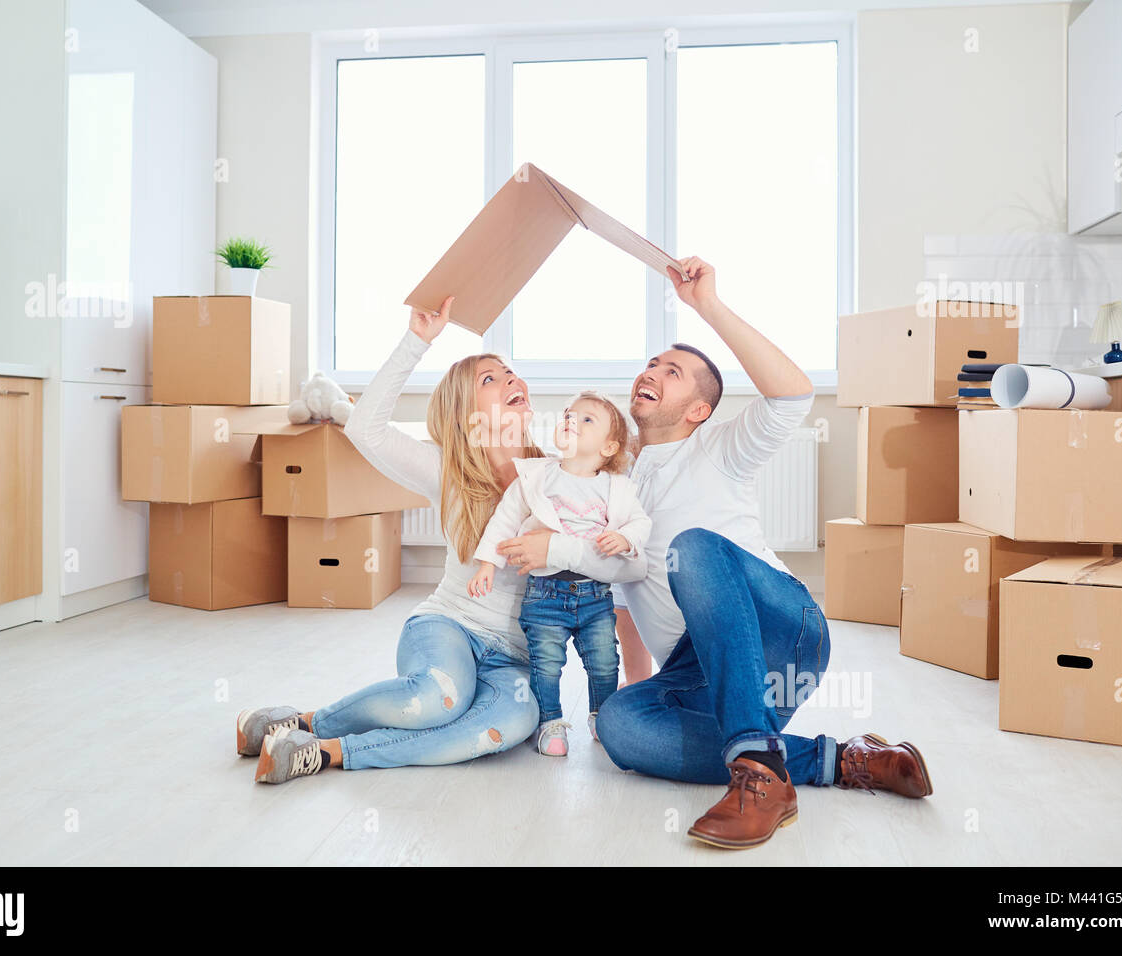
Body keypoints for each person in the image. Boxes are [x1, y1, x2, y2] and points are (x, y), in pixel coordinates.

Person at [498, 257, 933, 850]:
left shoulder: (719, 447)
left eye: (673, 372)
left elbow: (794, 393)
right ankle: (838, 761)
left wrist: (708, 307)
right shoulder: (614, 487)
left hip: (781, 633)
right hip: (698, 670)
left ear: (699, 409)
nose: (652, 371)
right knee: (623, 726)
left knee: (691, 549)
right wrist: (640, 691)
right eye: (652, 364)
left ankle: (757, 769)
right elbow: (627, 596)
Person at [234, 297, 645, 783]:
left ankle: (327, 751)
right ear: (464, 411)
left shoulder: (564, 474)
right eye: (489, 380)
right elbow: (364, 427)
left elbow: (623, 567)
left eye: (510, 372)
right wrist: (418, 341)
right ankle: (305, 722)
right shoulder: (444, 470)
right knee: (438, 699)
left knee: (507, 725)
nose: (511, 380)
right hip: (450, 625)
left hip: (519, 656)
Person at [469, 391, 651, 757]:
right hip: (545, 593)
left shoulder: (618, 487)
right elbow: (505, 519)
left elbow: (640, 522)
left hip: (595, 595)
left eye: (586, 420)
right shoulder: (537, 476)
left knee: (603, 661)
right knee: (546, 664)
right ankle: (550, 722)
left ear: (609, 446)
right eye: (568, 415)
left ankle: (602, 715)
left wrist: (625, 537)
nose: (571, 420)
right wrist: (488, 562)